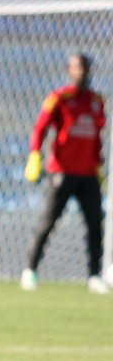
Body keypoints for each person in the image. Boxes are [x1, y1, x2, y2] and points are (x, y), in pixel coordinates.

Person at [21, 53, 109, 294]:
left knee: (95, 224)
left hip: (88, 174)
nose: (82, 72)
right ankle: (30, 270)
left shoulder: (96, 101)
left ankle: (94, 275)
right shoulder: (59, 98)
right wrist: (34, 155)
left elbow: (96, 137)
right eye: (77, 68)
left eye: (86, 68)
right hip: (61, 172)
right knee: (48, 222)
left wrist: (98, 165)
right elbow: (40, 128)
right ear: (69, 70)